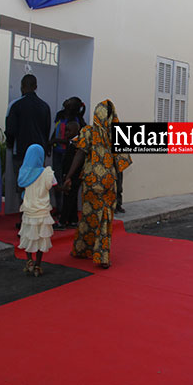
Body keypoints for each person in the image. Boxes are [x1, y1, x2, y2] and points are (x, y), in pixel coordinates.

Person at [63, 99, 132, 268]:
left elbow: (80, 154)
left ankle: (82, 249)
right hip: (108, 182)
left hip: (90, 181)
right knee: (105, 218)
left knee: (88, 216)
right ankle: (102, 255)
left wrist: (69, 176)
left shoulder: (88, 132)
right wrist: (117, 184)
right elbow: (121, 162)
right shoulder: (118, 134)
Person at [4, 74, 51, 214]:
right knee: (37, 186)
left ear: (22, 86)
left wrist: (10, 145)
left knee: (23, 186)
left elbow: (10, 130)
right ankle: (36, 216)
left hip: (21, 152)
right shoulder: (45, 106)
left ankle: (25, 218)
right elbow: (47, 130)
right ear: (36, 87)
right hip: (38, 154)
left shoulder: (16, 105)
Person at [17, 144, 58, 277]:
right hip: (42, 211)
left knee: (28, 235)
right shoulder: (47, 172)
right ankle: (38, 265)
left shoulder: (24, 172)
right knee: (41, 238)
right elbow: (54, 184)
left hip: (29, 211)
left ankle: (29, 260)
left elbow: (20, 188)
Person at [49, 97, 87, 220]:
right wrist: (51, 142)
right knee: (57, 180)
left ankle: (66, 213)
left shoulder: (77, 120)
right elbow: (56, 130)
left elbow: (75, 138)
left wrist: (57, 140)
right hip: (57, 151)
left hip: (68, 154)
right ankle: (59, 207)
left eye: (70, 101)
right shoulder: (60, 115)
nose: (66, 101)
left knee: (67, 181)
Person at [59, 121, 82, 228]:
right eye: (65, 130)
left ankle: (62, 221)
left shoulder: (77, 144)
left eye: (69, 130)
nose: (66, 133)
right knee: (72, 198)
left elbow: (75, 162)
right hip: (70, 175)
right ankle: (73, 220)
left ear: (76, 131)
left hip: (74, 176)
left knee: (68, 198)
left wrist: (68, 176)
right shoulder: (71, 142)